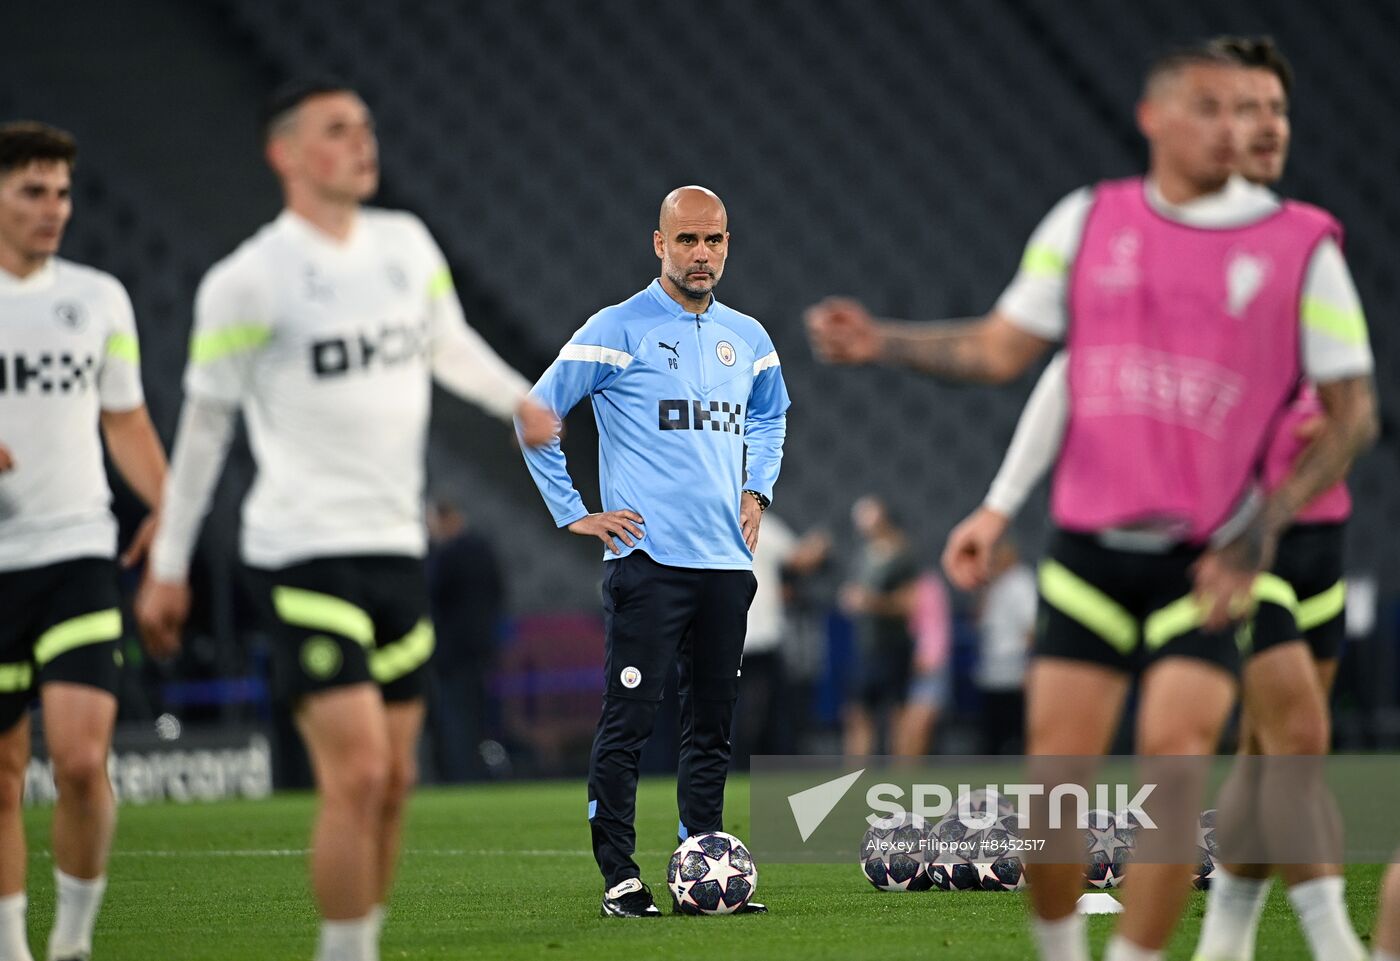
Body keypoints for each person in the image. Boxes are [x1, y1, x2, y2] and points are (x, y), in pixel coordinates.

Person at [806, 44, 1377, 961]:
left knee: (1192, 765)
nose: (1239, 127)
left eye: (1254, 110)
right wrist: (884, 343)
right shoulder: (1089, 222)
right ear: (1155, 117)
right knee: (1057, 781)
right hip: (1089, 550)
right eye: (1216, 108)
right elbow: (1007, 353)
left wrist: (1253, 534)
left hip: (1216, 554)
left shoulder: (1302, 248)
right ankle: (1069, 946)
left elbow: (1355, 411)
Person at [134, 81, 555, 961]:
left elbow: (447, 342)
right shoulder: (247, 280)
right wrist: (169, 563)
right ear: (284, 153)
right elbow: (205, 428)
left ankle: (359, 943)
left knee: (396, 779)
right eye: (337, 130)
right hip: (299, 553)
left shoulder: (405, 244)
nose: (362, 143)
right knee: (358, 769)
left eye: (365, 126)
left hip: (395, 551)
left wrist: (518, 397)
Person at [518, 185, 789, 918]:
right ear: (659, 244)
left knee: (713, 725)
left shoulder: (751, 338)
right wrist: (574, 512)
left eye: (716, 241)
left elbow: (771, 417)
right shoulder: (617, 328)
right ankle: (619, 874)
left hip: (727, 566)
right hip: (649, 564)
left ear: (728, 245)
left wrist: (756, 490)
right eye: (688, 240)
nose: (702, 254)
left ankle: (702, 863)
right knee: (630, 720)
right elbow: (537, 414)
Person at [0, 122, 168, 961]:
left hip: (75, 553)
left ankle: (69, 943)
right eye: (32, 190)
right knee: (2, 772)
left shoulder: (99, 296)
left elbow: (124, 416)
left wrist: (170, 505)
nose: (53, 208)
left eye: (62, 191)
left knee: (77, 759)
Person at [424, 501, 504, 783]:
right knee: (476, 714)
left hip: (452, 652)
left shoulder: (448, 556)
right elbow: (498, 594)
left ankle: (459, 775)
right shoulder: (483, 549)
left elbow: (432, 596)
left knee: (455, 718)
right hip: (481, 646)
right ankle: (476, 773)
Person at [839, 496, 920, 757]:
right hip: (865, 646)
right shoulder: (863, 555)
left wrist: (871, 602)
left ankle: (901, 777)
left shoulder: (902, 554)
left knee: (897, 713)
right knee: (857, 712)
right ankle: (855, 777)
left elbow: (909, 603)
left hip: (892, 645)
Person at [973, 534, 1035, 755]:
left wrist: (1029, 665)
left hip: (1015, 667)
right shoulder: (994, 584)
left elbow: (1030, 628)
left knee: (1017, 729)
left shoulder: (1021, 582)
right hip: (993, 668)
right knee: (993, 730)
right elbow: (980, 620)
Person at [894, 568, 952, 756]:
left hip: (930, 665)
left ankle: (908, 773)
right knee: (909, 727)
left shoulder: (927, 587)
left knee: (917, 727)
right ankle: (905, 774)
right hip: (920, 665)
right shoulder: (929, 586)